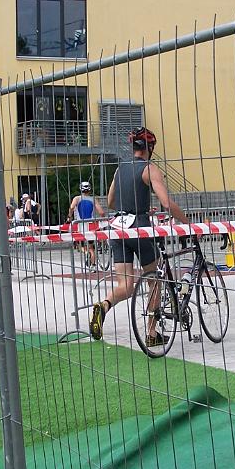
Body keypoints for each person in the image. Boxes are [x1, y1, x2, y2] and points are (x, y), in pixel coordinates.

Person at [89, 127, 188, 346]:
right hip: (140, 228)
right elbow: (166, 203)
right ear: (149, 148)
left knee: (126, 284)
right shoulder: (150, 169)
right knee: (154, 279)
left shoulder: (120, 169)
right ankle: (152, 334)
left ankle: (103, 305)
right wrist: (188, 223)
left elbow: (111, 201)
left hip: (117, 228)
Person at [67, 180, 105, 270]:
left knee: (79, 244)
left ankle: (85, 252)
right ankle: (93, 265)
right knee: (92, 247)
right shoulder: (93, 199)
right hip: (91, 225)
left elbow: (72, 207)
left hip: (80, 225)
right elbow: (101, 212)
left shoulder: (77, 198)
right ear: (90, 189)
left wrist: (69, 216)